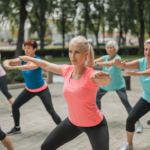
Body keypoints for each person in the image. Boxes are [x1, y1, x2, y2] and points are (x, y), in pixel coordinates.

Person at [19, 36, 111, 150]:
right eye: (70, 51)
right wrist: (31, 59)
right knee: (46, 147)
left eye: (77, 52)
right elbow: (46, 65)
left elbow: (106, 81)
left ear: (86, 54)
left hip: (95, 125)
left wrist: (107, 78)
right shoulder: (67, 70)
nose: (72, 56)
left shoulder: (91, 75)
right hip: (73, 123)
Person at [3, 40, 61, 135]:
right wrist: (6, 64)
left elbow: (29, 67)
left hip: (42, 89)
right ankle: (17, 128)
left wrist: (14, 67)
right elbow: (8, 61)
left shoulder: (38, 60)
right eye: (25, 48)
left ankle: (63, 128)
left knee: (50, 110)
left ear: (35, 49)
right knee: (15, 106)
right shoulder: (23, 59)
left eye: (29, 48)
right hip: (29, 90)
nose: (26, 50)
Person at [94, 40, 143, 133]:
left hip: (118, 86)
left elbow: (110, 63)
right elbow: (93, 61)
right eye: (108, 47)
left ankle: (139, 124)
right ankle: (98, 121)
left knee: (127, 105)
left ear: (115, 49)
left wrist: (96, 63)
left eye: (111, 47)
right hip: (105, 85)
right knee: (96, 98)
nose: (109, 49)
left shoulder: (118, 58)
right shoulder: (104, 57)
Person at [114, 38, 150, 150]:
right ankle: (129, 145)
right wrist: (119, 64)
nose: (148, 52)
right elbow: (125, 66)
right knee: (130, 119)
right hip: (147, 98)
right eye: (146, 49)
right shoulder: (142, 62)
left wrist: (139, 73)